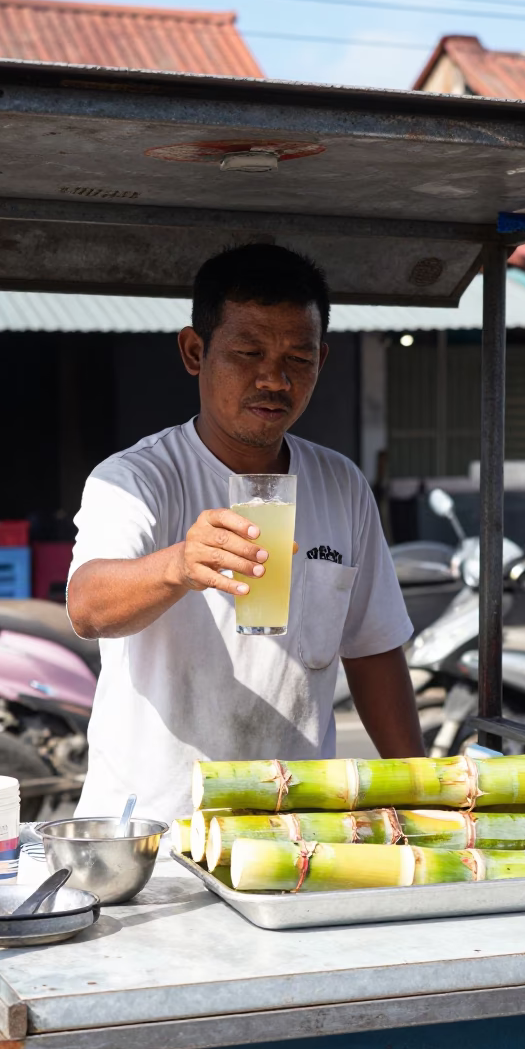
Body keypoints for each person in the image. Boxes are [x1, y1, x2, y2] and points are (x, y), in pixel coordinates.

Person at [67, 243, 423, 824]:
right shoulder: (137, 477)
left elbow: (373, 650)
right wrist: (178, 564)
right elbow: (87, 608)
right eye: (248, 352)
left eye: (298, 359)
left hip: (295, 826)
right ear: (194, 351)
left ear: (322, 361)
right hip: (158, 828)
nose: (274, 379)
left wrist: (421, 791)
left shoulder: (340, 483)